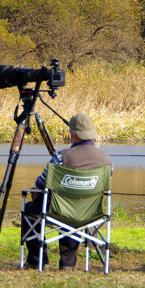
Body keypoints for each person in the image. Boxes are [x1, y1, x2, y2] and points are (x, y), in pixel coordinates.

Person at [22, 113, 112, 271]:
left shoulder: (61, 157)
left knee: (31, 208)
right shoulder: (106, 160)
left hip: (58, 212)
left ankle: (37, 261)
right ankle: (68, 264)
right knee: (75, 211)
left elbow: (41, 183)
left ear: (73, 134)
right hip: (90, 213)